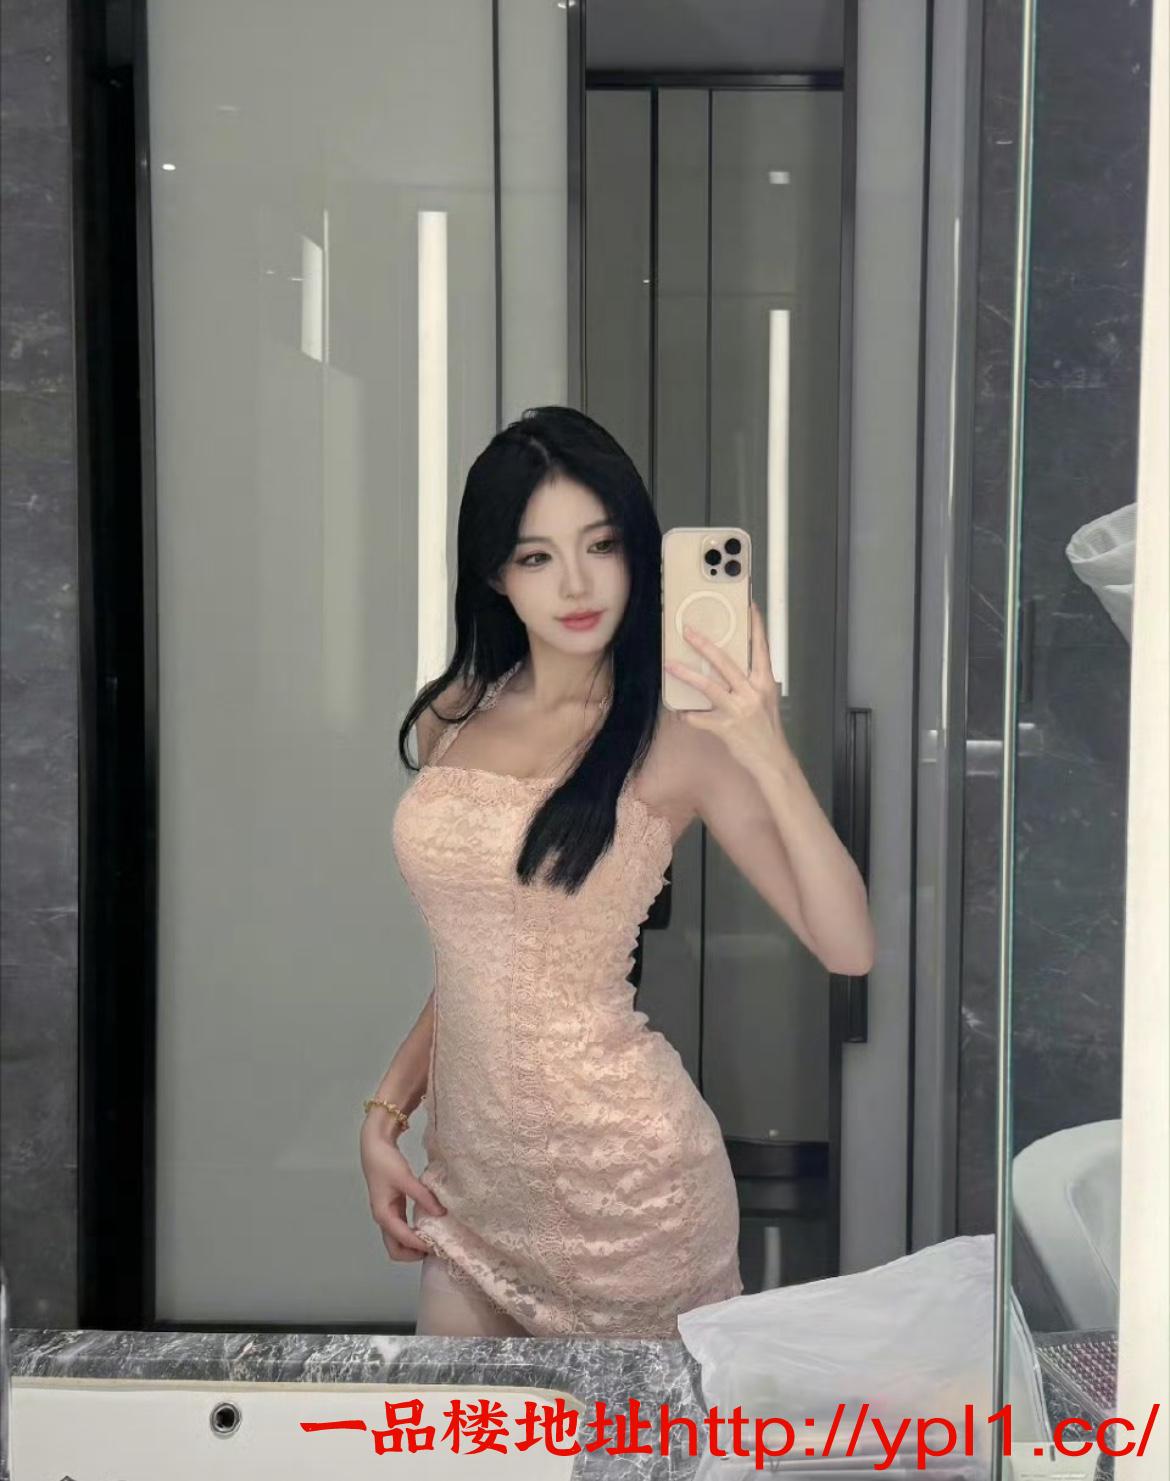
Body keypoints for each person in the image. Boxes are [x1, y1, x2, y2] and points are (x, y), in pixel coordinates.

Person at [358, 406, 875, 1338]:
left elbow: (849, 945)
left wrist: (767, 749)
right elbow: (478, 962)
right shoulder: (454, 713)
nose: (577, 583)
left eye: (601, 545)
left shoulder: (682, 740)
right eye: (537, 556)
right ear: (495, 573)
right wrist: (385, 1113)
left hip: (633, 1201)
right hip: (468, 1192)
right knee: (454, 1427)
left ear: (638, 551)